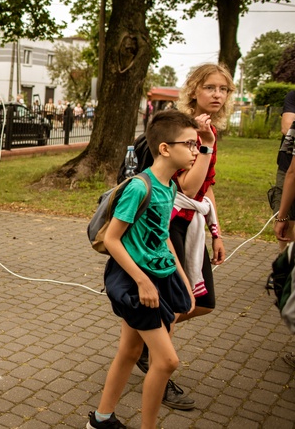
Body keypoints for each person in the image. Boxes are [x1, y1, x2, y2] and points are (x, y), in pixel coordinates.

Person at [87, 110, 196, 429]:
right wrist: (142, 281)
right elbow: (112, 238)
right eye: (189, 144)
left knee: (130, 350)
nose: (194, 151)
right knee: (167, 361)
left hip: (159, 278)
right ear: (165, 148)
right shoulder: (139, 187)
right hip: (135, 284)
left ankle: (101, 419)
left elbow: (162, 238)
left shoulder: (170, 187)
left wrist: (183, 279)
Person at [142, 63, 234, 410]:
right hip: (170, 225)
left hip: (193, 224)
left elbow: (206, 192)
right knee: (181, 300)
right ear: (194, 90)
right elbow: (189, 186)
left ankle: (145, 336)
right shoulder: (185, 131)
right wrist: (205, 146)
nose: (217, 95)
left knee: (203, 302)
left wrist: (217, 233)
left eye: (223, 89)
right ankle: (157, 364)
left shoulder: (209, 134)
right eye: (210, 87)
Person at [271, 89, 295, 249]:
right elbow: (286, 128)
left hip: (291, 171)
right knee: (286, 224)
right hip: (287, 167)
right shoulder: (293, 96)